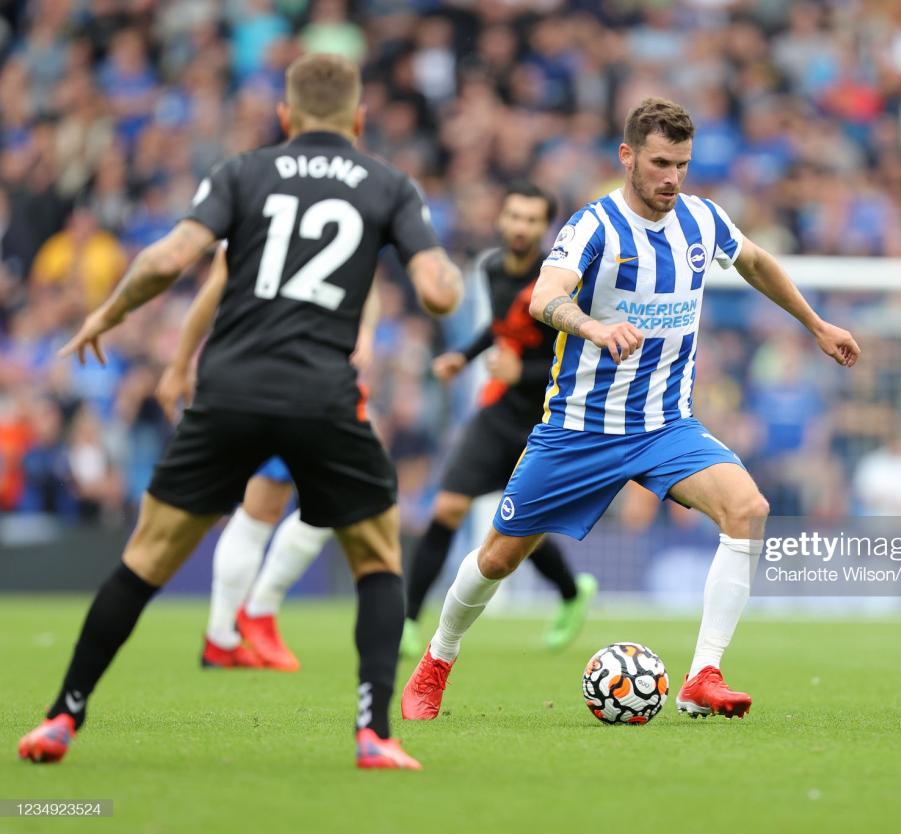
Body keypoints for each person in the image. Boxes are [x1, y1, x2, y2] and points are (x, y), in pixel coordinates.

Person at [17, 53, 462, 770]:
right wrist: (431, 270)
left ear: (286, 117)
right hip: (322, 394)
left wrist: (109, 310)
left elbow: (171, 259)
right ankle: (373, 733)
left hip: (228, 390)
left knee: (146, 556)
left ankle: (61, 717)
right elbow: (439, 293)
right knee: (379, 558)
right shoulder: (390, 185)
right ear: (359, 119)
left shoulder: (243, 171)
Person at [400, 97, 860, 722]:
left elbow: (753, 260)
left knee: (748, 509)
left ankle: (703, 675)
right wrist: (591, 326)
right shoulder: (595, 226)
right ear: (628, 157)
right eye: (661, 163)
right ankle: (437, 660)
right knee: (498, 558)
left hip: (665, 425)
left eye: (683, 165)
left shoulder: (702, 219)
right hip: (579, 429)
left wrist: (814, 323)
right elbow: (545, 295)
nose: (672, 178)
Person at [154, 245, 380, 671]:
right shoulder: (283, 203)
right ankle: (252, 614)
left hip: (275, 370)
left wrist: (364, 330)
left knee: (268, 504)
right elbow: (219, 280)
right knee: (337, 497)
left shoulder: (284, 200)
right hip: (290, 373)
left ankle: (225, 634)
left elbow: (365, 280)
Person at [402, 181, 597, 658]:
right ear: (502, 219)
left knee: (516, 528)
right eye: (516, 216)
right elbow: (500, 327)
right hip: (497, 411)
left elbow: (572, 350)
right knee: (447, 507)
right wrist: (463, 357)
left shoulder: (560, 278)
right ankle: (407, 619)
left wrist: (523, 372)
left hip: (545, 418)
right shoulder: (490, 267)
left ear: (546, 227)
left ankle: (572, 594)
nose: (522, 227)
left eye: (533, 219)